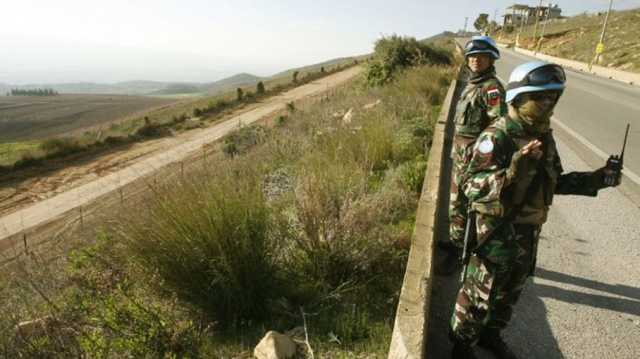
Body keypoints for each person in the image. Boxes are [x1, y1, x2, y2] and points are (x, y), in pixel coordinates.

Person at [448, 61, 622, 359]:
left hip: (528, 232)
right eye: (540, 97)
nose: (547, 103)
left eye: (552, 97)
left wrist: (598, 178)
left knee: (509, 295)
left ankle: (491, 336)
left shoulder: (543, 137)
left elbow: (552, 182)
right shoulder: (497, 136)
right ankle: (461, 347)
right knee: (478, 297)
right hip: (496, 234)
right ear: (519, 97)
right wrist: (512, 172)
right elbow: (470, 186)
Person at [438, 35, 506, 275]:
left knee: (465, 204)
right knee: (456, 205)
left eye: (482, 56)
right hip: (460, 155)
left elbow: (498, 126)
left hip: (475, 159)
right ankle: (455, 243)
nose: (476, 60)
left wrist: (482, 157)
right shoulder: (472, 83)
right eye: (472, 56)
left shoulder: (492, 88)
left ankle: (460, 254)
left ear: (491, 59)